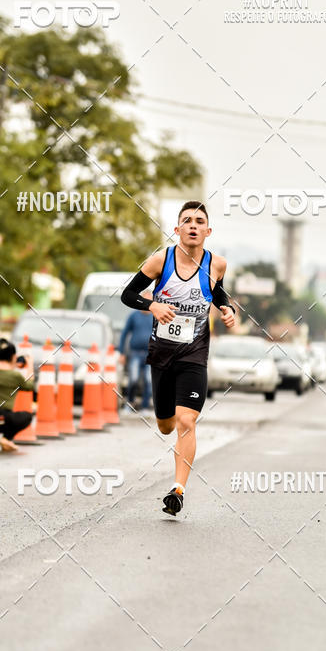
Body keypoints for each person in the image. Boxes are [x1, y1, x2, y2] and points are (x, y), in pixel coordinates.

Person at [121, 200, 236, 517]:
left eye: (200, 221)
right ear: (177, 229)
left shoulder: (217, 264)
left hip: (194, 355)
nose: (193, 225)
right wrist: (152, 305)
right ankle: (165, 419)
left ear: (208, 231)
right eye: (187, 220)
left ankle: (178, 490)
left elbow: (217, 292)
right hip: (162, 354)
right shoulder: (161, 260)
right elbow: (127, 295)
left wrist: (228, 308)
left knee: (188, 421)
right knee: (166, 424)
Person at [0, 340, 34, 453]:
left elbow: (0, 372)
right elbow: (29, 386)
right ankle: (6, 438)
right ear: (13, 356)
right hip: (2, 418)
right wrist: (30, 365)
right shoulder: (14, 375)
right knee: (27, 416)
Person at [118, 292, 153, 416]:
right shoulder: (134, 316)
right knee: (133, 379)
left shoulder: (155, 316)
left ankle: (145, 407)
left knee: (148, 381)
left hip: (150, 355)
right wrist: (121, 353)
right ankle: (130, 404)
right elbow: (124, 334)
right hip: (135, 353)